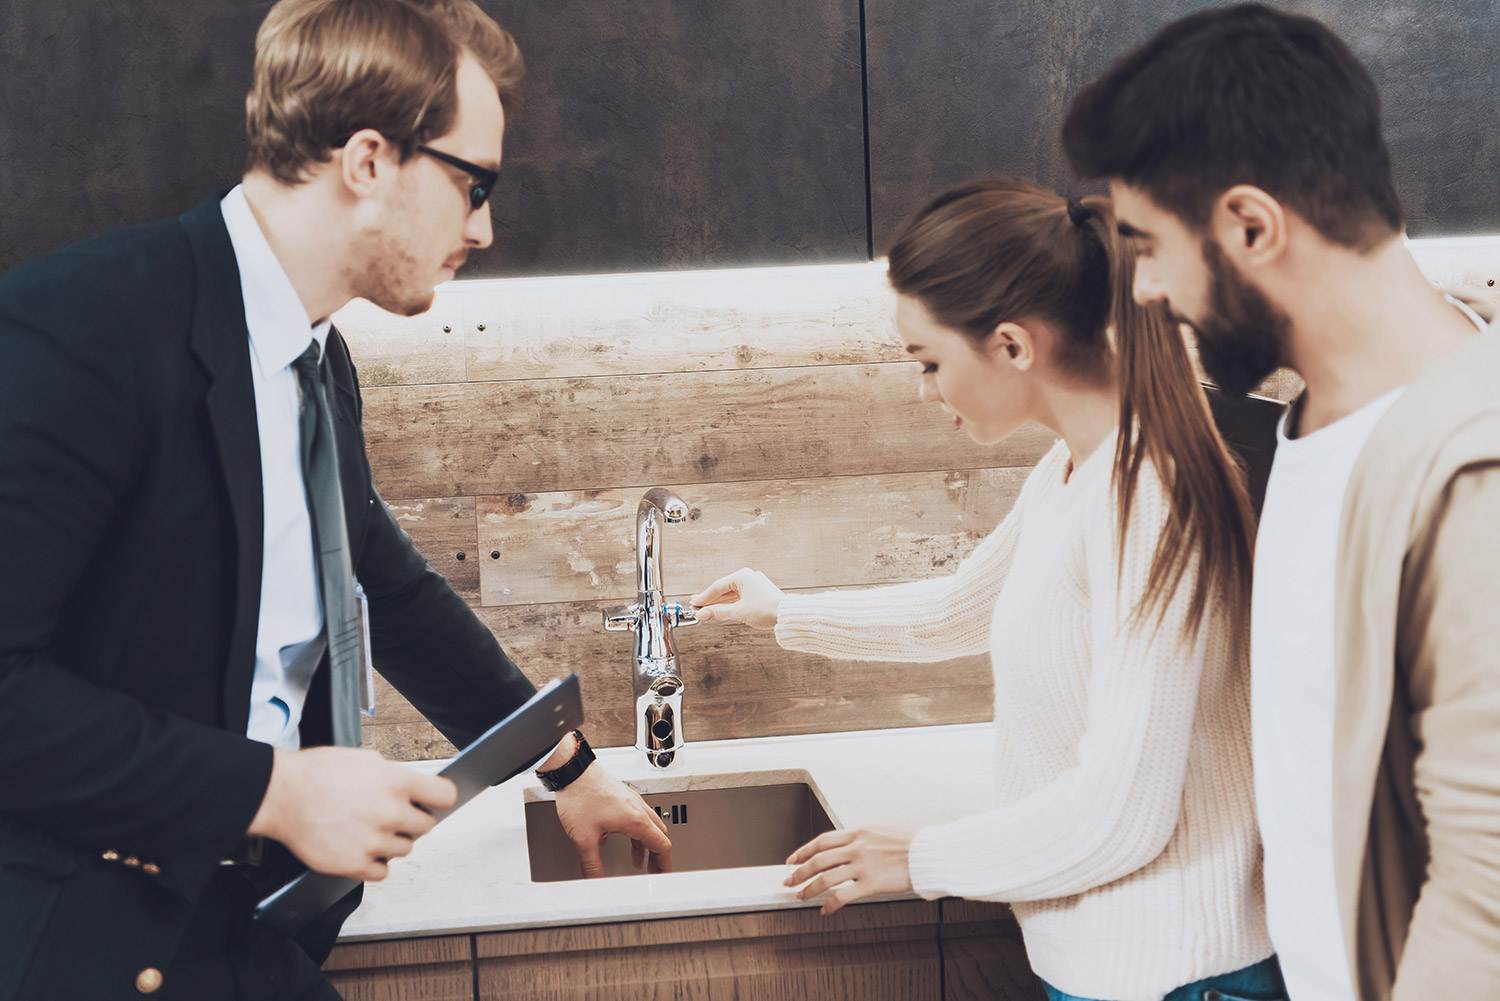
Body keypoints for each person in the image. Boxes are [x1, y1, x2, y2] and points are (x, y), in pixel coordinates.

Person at [0, 1, 670, 998]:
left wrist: (569, 766)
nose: (483, 226)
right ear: (368, 161)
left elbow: (385, 587)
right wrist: (270, 790)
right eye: (472, 183)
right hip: (88, 945)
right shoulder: (87, 325)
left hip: (249, 928)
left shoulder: (315, 358)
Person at [690, 177, 1281, 1001]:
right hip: (1119, 968)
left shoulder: (1149, 492)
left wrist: (920, 855)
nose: (925, 390)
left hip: (1178, 976)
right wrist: (784, 611)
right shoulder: (1080, 465)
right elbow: (956, 610)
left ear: (1012, 344)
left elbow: (1123, 813)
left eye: (930, 361)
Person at [1061, 5, 1500, 999]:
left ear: (1252, 226)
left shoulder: (1473, 476)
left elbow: (1491, 890)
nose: (1144, 291)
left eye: (1150, 246)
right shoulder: (1301, 424)